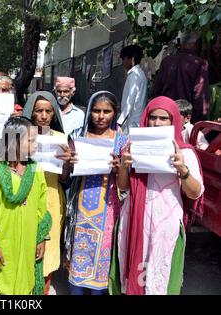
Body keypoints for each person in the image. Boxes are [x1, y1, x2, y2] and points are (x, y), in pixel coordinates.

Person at [110, 96, 204, 295]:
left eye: (164, 118)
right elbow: (123, 186)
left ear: (174, 121)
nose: (157, 123)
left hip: (165, 227)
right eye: (153, 117)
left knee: (160, 280)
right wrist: (125, 167)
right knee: (132, 277)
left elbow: (195, 193)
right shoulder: (131, 146)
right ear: (146, 118)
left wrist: (182, 170)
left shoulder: (184, 152)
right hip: (134, 221)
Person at [63, 91, 127, 295]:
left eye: (106, 111)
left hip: (108, 211)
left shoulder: (122, 141)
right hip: (79, 211)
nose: (101, 116)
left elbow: (125, 186)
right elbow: (65, 178)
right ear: (89, 112)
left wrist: (120, 168)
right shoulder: (78, 137)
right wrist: (67, 164)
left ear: (114, 113)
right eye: (96, 111)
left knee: (102, 258)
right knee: (78, 258)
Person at [0, 116, 52, 295]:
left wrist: (42, 239)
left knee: (26, 281)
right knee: (3, 280)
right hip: (4, 241)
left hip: (30, 241)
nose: (36, 145)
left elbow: (41, 209)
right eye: (31, 140)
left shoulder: (36, 170)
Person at [22, 91, 71, 294]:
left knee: (47, 251)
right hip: (25, 200)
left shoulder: (61, 138)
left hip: (51, 198)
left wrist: (67, 163)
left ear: (54, 114)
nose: (43, 115)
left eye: (48, 111)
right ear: (31, 113)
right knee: (24, 248)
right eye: (39, 110)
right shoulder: (21, 136)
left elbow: (64, 179)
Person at [153, 32, 210, 123]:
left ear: (181, 44)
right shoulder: (199, 64)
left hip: (167, 114)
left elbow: (157, 91)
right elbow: (199, 97)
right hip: (186, 117)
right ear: (196, 44)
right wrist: (201, 121)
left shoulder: (167, 61)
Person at [117, 45, 148, 134]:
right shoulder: (139, 74)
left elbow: (130, 101)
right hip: (136, 120)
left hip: (132, 121)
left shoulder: (134, 76)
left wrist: (120, 121)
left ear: (132, 59)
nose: (123, 62)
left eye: (124, 59)